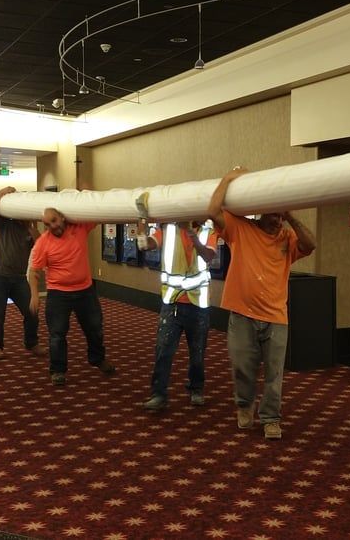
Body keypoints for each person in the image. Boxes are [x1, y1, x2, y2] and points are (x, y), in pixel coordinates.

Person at [207, 167, 317, 440]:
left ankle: (270, 417)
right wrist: (227, 178)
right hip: (242, 313)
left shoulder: (287, 238)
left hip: (276, 316)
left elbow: (311, 243)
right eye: (274, 214)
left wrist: (291, 215)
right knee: (242, 365)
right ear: (261, 212)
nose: (278, 221)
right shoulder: (241, 228)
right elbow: (212, 211)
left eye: (281, 216)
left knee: (274, 373)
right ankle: (245, 405)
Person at [135, 213, 218, 410]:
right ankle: (158, 394)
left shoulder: (209, 229)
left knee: (197, 353)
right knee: (163, 350)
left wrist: (191, 234)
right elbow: (145, 245)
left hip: (198, 304)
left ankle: (196, 388)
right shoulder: (168, 229)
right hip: (171, 302)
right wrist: (142, 223)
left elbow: (208, 256)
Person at [28, 207, 116, 385]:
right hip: (58, 294)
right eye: (47, 224)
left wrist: (86, 191)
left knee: (95, 327)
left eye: (54, 221)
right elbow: (34, 271)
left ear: (62, 218)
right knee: (57, 334)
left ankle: (97, 359)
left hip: (85, 290)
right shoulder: (43, 243)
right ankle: (58, 370)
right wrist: (34, 295)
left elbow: (98, 212)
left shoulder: (79, 228)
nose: (52, 226)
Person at [0, 187, 43, 360]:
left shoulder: (30, 230)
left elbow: (42, 247)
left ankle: (31, 342)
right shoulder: (4, 223)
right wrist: (2, 192)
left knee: (32, 311)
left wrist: (33, 228)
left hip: (19, 278)